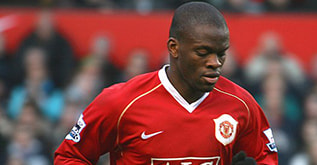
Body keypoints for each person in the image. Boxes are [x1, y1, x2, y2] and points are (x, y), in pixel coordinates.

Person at [54, 2, 278, 164]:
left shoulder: (242, 105)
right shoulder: (121, 102)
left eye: (222, 54)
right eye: (203, 52)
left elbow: (265, 159)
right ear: (174, 48)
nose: (215, 63)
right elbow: (69, 156)